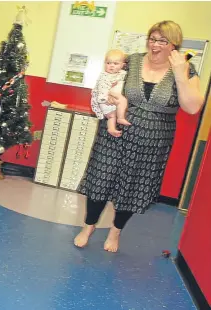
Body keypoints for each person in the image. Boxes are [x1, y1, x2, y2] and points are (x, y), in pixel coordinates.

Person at [75, 20, 204, 252]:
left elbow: (193, 107)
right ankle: (88, 226)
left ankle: (115, 232)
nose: (155, 45)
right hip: (114, 134)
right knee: (100, 180)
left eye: (162, 41)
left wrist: (179, 73)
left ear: (174, 45)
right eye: (152, 39)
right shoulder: (132, 61)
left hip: (153, 141)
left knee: (134, 187)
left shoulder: (186, 69)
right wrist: (108, 98)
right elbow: (106, 80)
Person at [91, 49, 130, 137]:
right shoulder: (104, 76)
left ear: (122, 65)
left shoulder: (121, 73)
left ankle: (111, 128)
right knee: (123, 101)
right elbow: (101, 89)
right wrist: (104, 98)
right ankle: (120, 118)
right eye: (108, 63)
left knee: (111, 116)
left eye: (115, 63)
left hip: (109, 102)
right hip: (104, 101)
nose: (111, 66)